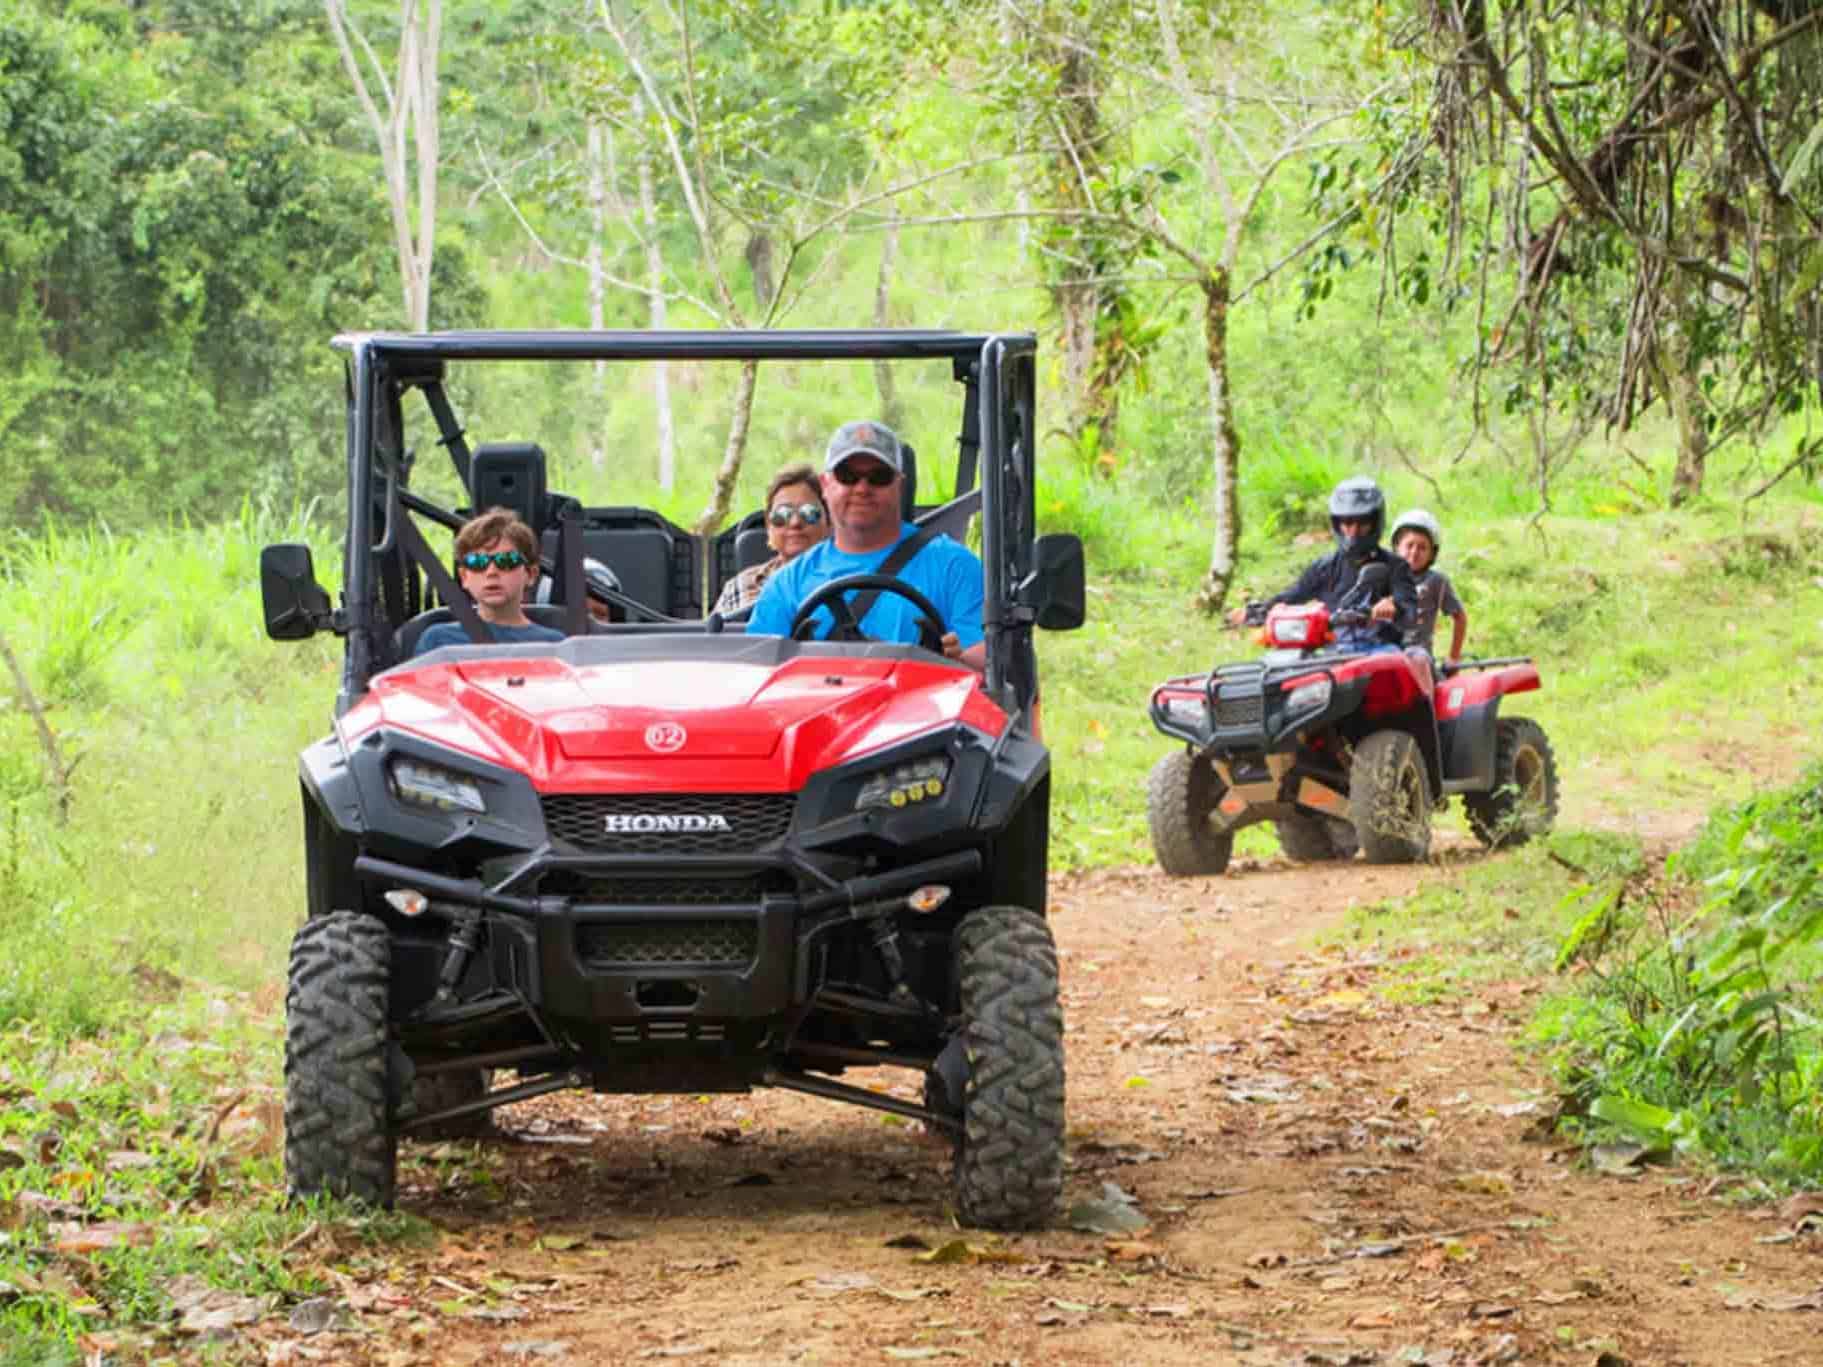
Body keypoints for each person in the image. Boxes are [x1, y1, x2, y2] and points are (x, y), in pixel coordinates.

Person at [746, 420, 985, 671]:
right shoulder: (786, 585)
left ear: (899, 485)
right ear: (826, 485)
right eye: (847, 476)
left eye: (878, 477)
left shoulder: (953, 566)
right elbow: (755, 672)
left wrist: (959, 661)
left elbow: (987, 661)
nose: (862, 488)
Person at [1229, 475, 1417, 650]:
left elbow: (1409, 609)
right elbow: (1293, 595)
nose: (1353, 531)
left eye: (1362, 524)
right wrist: (1256, 612)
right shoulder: (1325, 567)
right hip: (1333, 650)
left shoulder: (1395, 567)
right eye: (1347, 523)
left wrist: (1392, 606)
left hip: (1381, 649)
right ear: (1337, 524)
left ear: (1375, 523)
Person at [412, 507, 567, 656]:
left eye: (506, 561)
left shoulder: (554, 645)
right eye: (477, 562)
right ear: (464, 577)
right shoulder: (437, 641)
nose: (491, 572)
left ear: (531, 574)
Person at [712, 462, 830, 615]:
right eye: (782, 513)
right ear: (769, 526)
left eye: (809, 512)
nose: (795, 522)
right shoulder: (739, 587)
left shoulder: (850, 581)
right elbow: (713, 638)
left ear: (829, 522)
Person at [1390, 508, 1467, 664]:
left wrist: (1454, 657)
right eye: (1409, 545)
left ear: (1432, 553)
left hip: (1419, 657)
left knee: (1417, 659)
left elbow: (1460, 617)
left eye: (1422, 547)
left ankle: (1426, 689)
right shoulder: (1383, 577)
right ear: (1397, 547)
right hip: (1387, 652)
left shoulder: (1436, 581)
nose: (1414, 552)